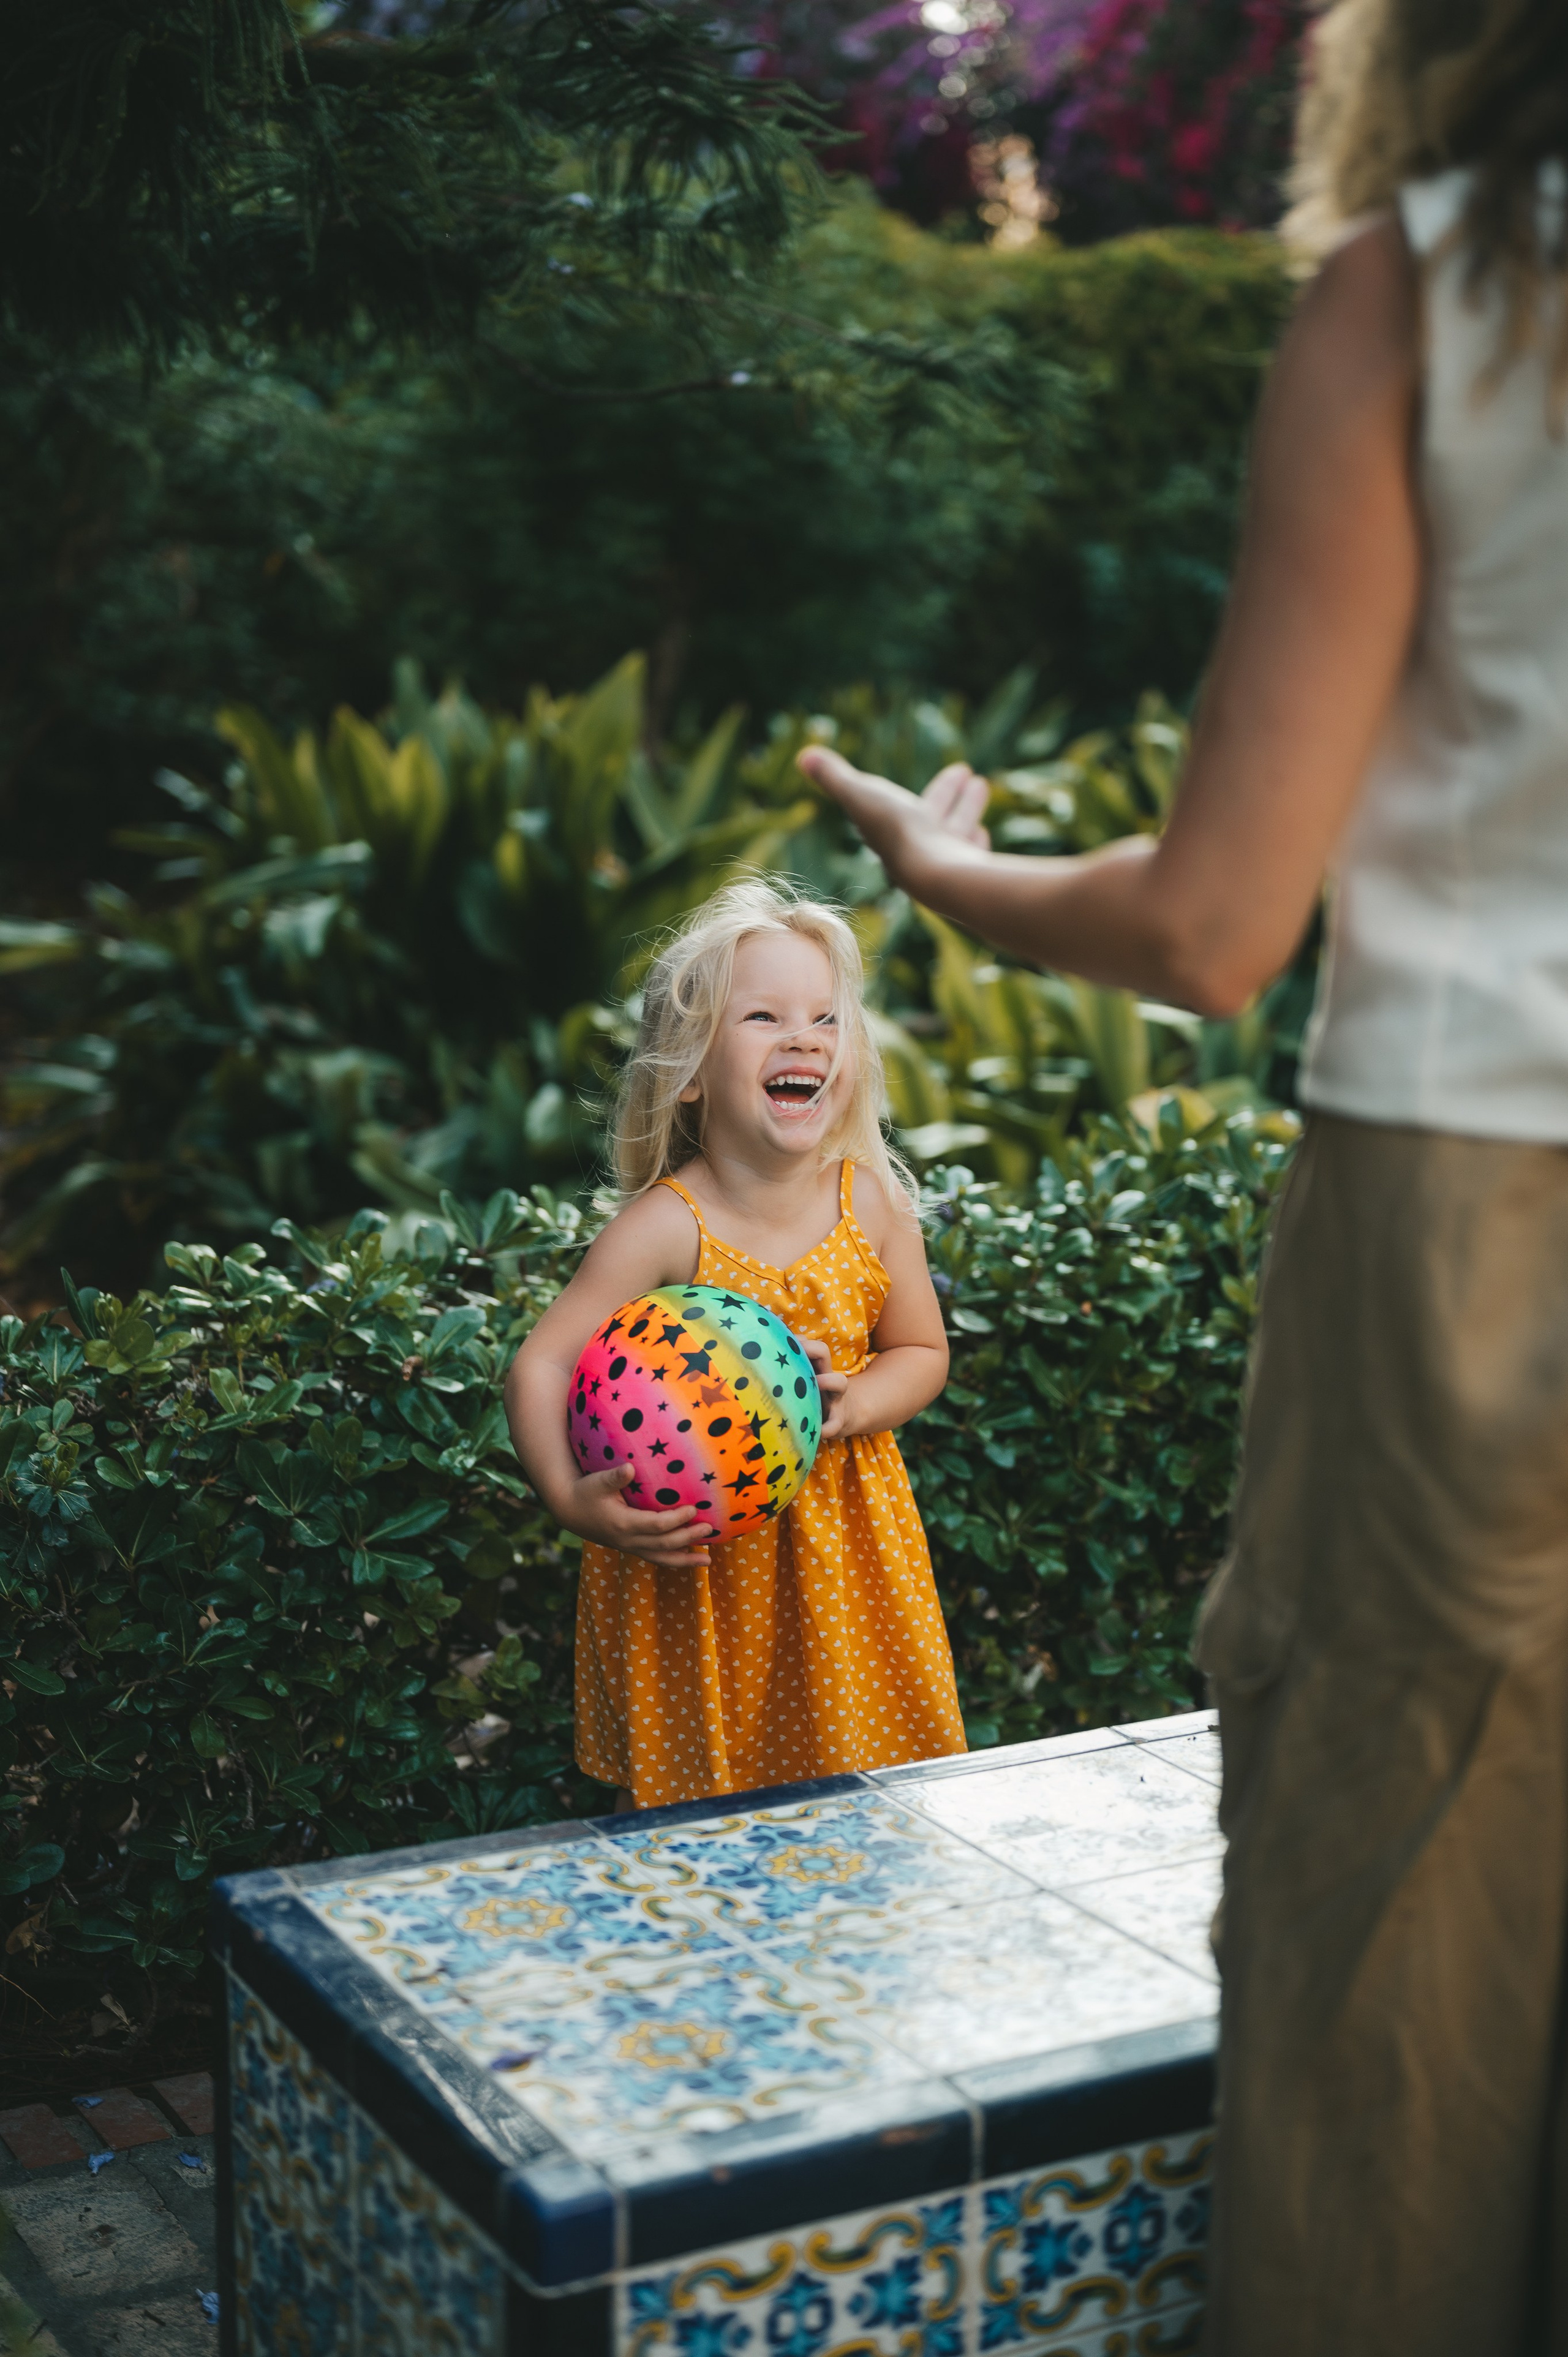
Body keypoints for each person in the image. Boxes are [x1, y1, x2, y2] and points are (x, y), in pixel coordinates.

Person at [799, 2, 1568, 2346]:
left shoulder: (1436, 293)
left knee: (1393, 1971)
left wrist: (951, 875)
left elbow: (1219, 915)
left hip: (1478, 1211)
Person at [505, 878, 965, 1812]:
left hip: (846, 1566)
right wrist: (571, 1501)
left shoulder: (870, 1205)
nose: (804, 1038)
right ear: (689, 1067)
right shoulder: (668, 1227)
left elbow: (922, 1350)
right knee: (712, 1828)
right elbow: (540, 1362)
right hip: (705, 1580)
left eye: (825, 1019)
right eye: (764, 1016)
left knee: (864, 1803)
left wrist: (856, 1406)